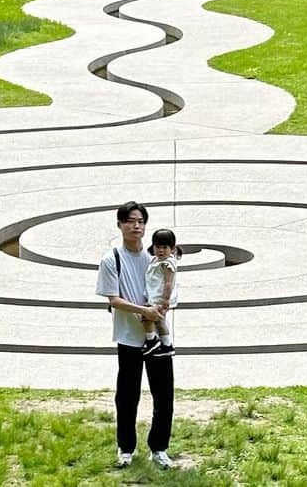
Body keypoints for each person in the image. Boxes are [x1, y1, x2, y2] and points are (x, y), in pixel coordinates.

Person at [95, 201, 176, 470]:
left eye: (140, 221)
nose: (136, 226)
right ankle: (126, 447)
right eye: (130, 221)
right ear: (120, 224)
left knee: (164, 395)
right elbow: (113, 299)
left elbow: (169, 286)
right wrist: (144, 311)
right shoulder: (112, 259)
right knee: (127, 396)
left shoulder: (155, 257)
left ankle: (159, 448)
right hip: (129, 336)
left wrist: (160, 308)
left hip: (157, 338)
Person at [140, 228, 180, 357]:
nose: (161, 250)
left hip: (160, 298)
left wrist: (165, 300)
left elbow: (168, 283)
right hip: (155, 296)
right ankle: (166, 345)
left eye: (165, 247)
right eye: (158, 247)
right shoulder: (156, 260)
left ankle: (152, 340)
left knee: (148, 317)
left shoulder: (167, 264)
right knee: (158, 320)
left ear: (172, 249)